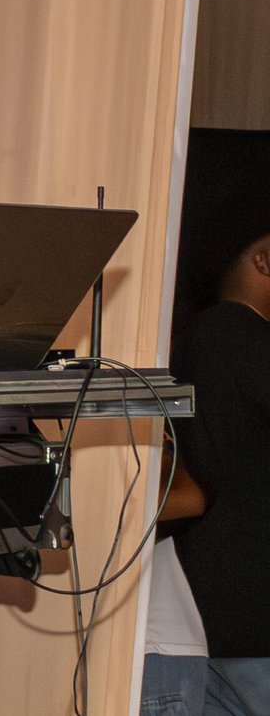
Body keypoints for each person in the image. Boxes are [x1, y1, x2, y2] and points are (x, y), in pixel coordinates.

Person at [170, 223, 270, 715]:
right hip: (246, 622)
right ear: (263, 259)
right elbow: (201, 479)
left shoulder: (210, 336)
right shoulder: (231, 334)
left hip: (226, 621)